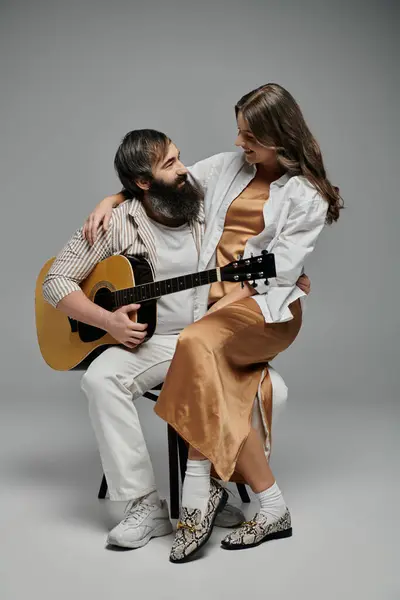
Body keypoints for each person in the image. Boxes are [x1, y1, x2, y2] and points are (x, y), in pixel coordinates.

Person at [87, 83, 342, 563]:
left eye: (250, 136)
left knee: (195, 342)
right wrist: (110, 200)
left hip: (264, 310)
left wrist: (217, 313)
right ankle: (271, 507)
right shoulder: (229, 166)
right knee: (213, 371)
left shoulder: (305, 196)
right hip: (214, 311)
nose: (239, 143)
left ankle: (195, 496)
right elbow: (162, 181)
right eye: (240, 132)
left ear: (279, 137)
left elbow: (278, 276)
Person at [44, 127, 311, 552]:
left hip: (209, 338)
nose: (184, 169)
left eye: (179, 157)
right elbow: (55, 281)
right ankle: (144, 505)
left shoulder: (206, 205)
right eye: (170, 164)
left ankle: (214, 487)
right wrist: (105, 320)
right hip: (148, 344)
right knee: (99, 380)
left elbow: (264, 208)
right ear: (143, 183)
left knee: (273, 391)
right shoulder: (117, 223)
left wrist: (283, 279)